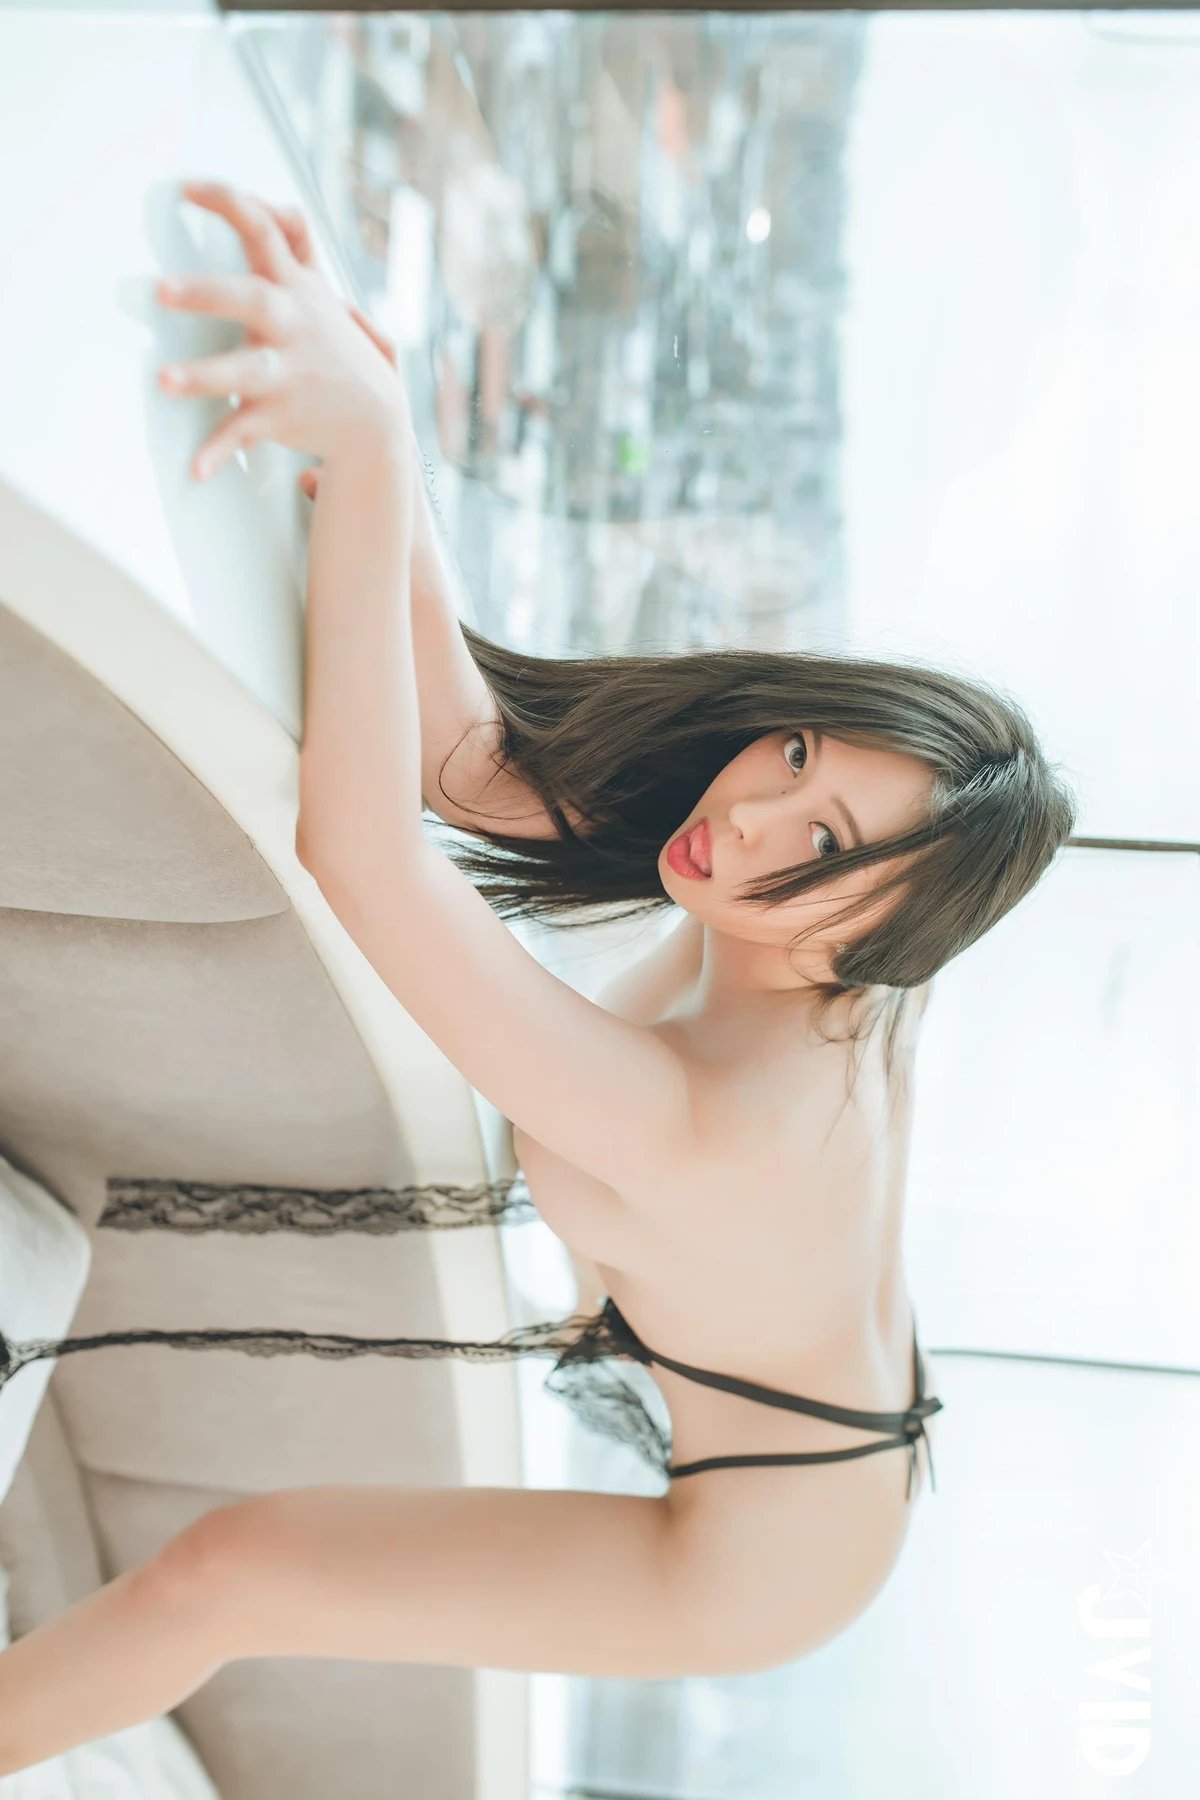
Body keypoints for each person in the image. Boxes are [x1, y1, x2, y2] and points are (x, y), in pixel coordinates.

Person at [0, 183, 1077, 1772]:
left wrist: (375, 455)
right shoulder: (822, 925)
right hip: (801, 1342)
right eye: (793, 749)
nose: (749, 814)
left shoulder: (724, 1121)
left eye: (822, 833)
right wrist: (375, 438)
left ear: (869, 939)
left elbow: (366, 855)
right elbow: (470, 765)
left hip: (764, 1548)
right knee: (241, 1560)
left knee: (229, 1574)